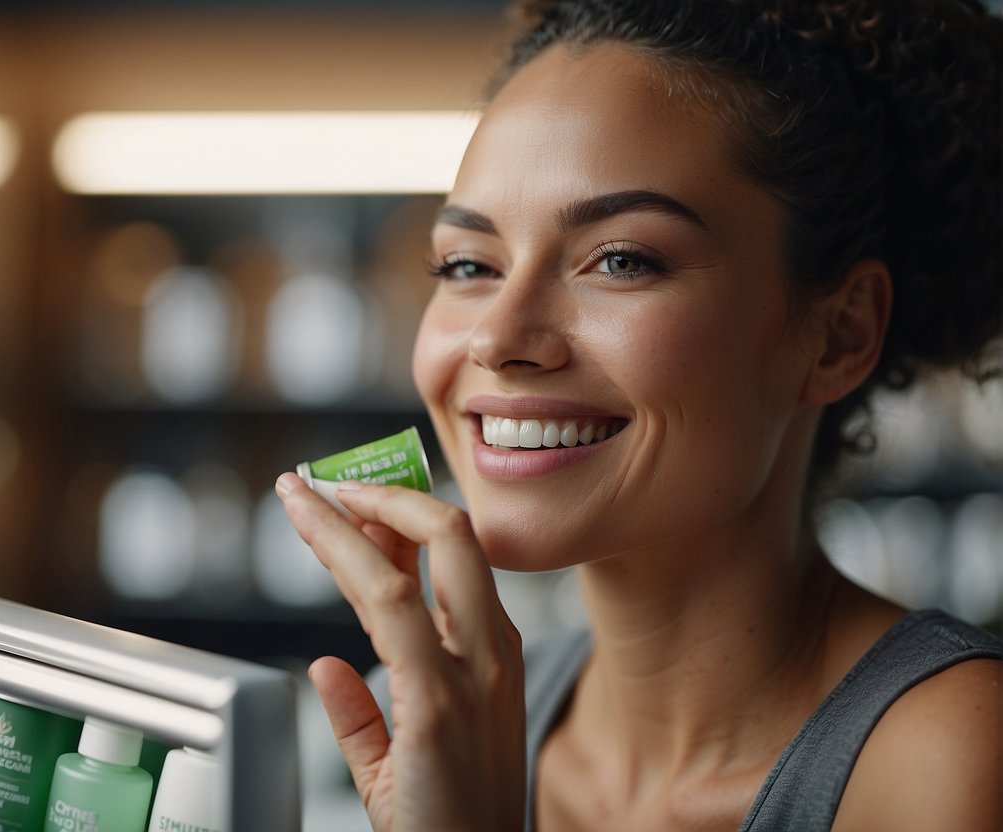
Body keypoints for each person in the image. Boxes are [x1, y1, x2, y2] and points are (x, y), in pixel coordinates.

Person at [275, 0, 1003, 829]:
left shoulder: (958, 753)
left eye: (620, 259)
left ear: (838, 334)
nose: (498, 338)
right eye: (468, 263)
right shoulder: (447, 730)